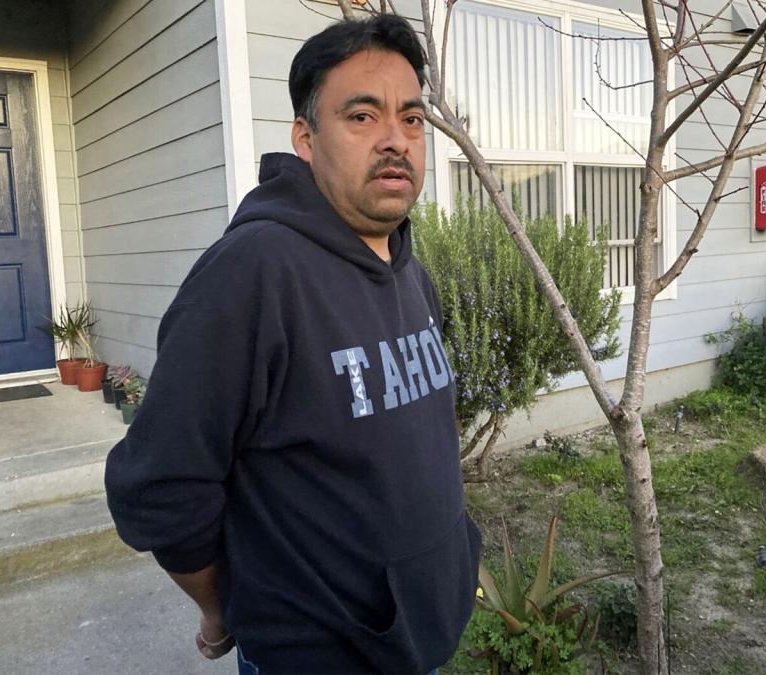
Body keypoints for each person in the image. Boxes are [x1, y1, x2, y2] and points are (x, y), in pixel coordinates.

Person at [104, 13, 482, 675]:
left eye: (412, 118)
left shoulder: (409, 267)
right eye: (362, 117)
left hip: (418, 636)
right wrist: (223, 604)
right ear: (305, 139)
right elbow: (160, 484)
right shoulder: (253, 272)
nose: (396, 139)